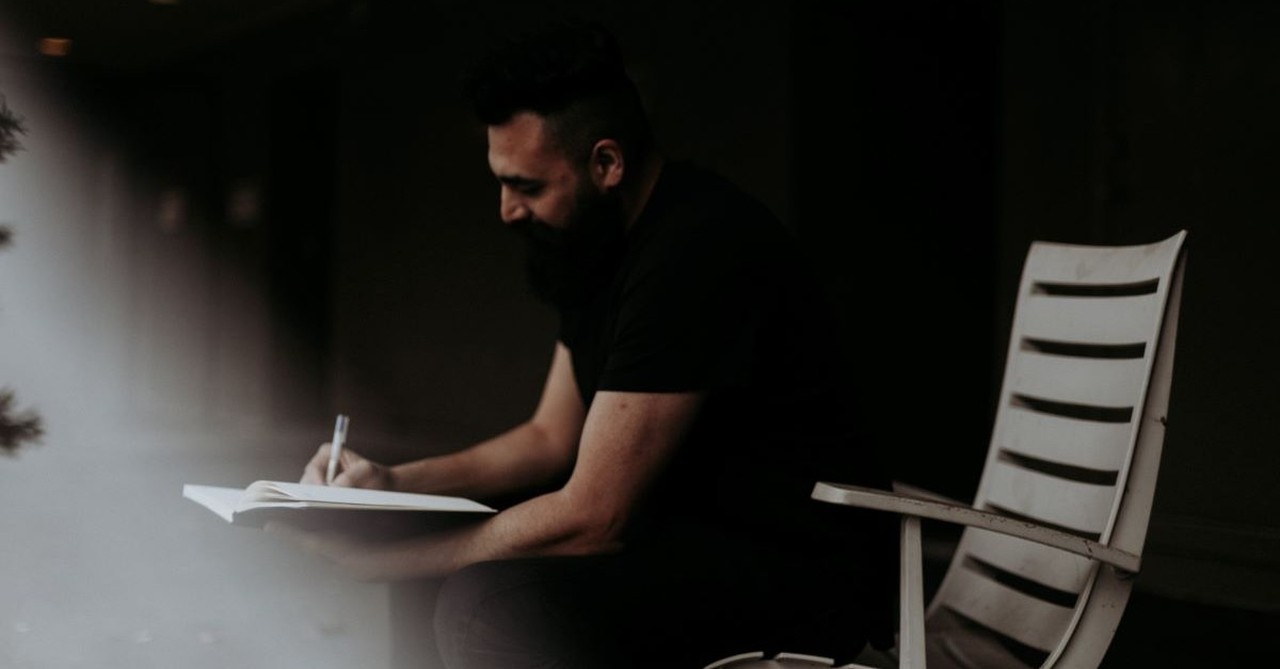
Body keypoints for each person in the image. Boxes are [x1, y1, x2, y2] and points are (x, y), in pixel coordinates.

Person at [270, 18, 895, 669]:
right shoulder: (593, 249)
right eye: (502, 182)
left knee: (486, 601)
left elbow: (595, 517)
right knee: (454, 552)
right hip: (687, 539)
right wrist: (389, 484)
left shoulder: (696, 249)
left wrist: (390, 561)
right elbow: (548, 438)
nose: (506, 209)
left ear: (606, 162)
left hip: (798, 575)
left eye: (527, 186)